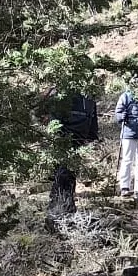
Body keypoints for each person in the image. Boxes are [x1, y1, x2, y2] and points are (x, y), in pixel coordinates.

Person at [46, 88, 98, 216]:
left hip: (73, 139)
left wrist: (91, 136)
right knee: (65, 172)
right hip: (67, 139)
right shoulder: (84, 97)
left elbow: (92, 120)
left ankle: (63, 206)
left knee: (67, 173)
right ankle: (61, 207)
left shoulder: (88, 98)